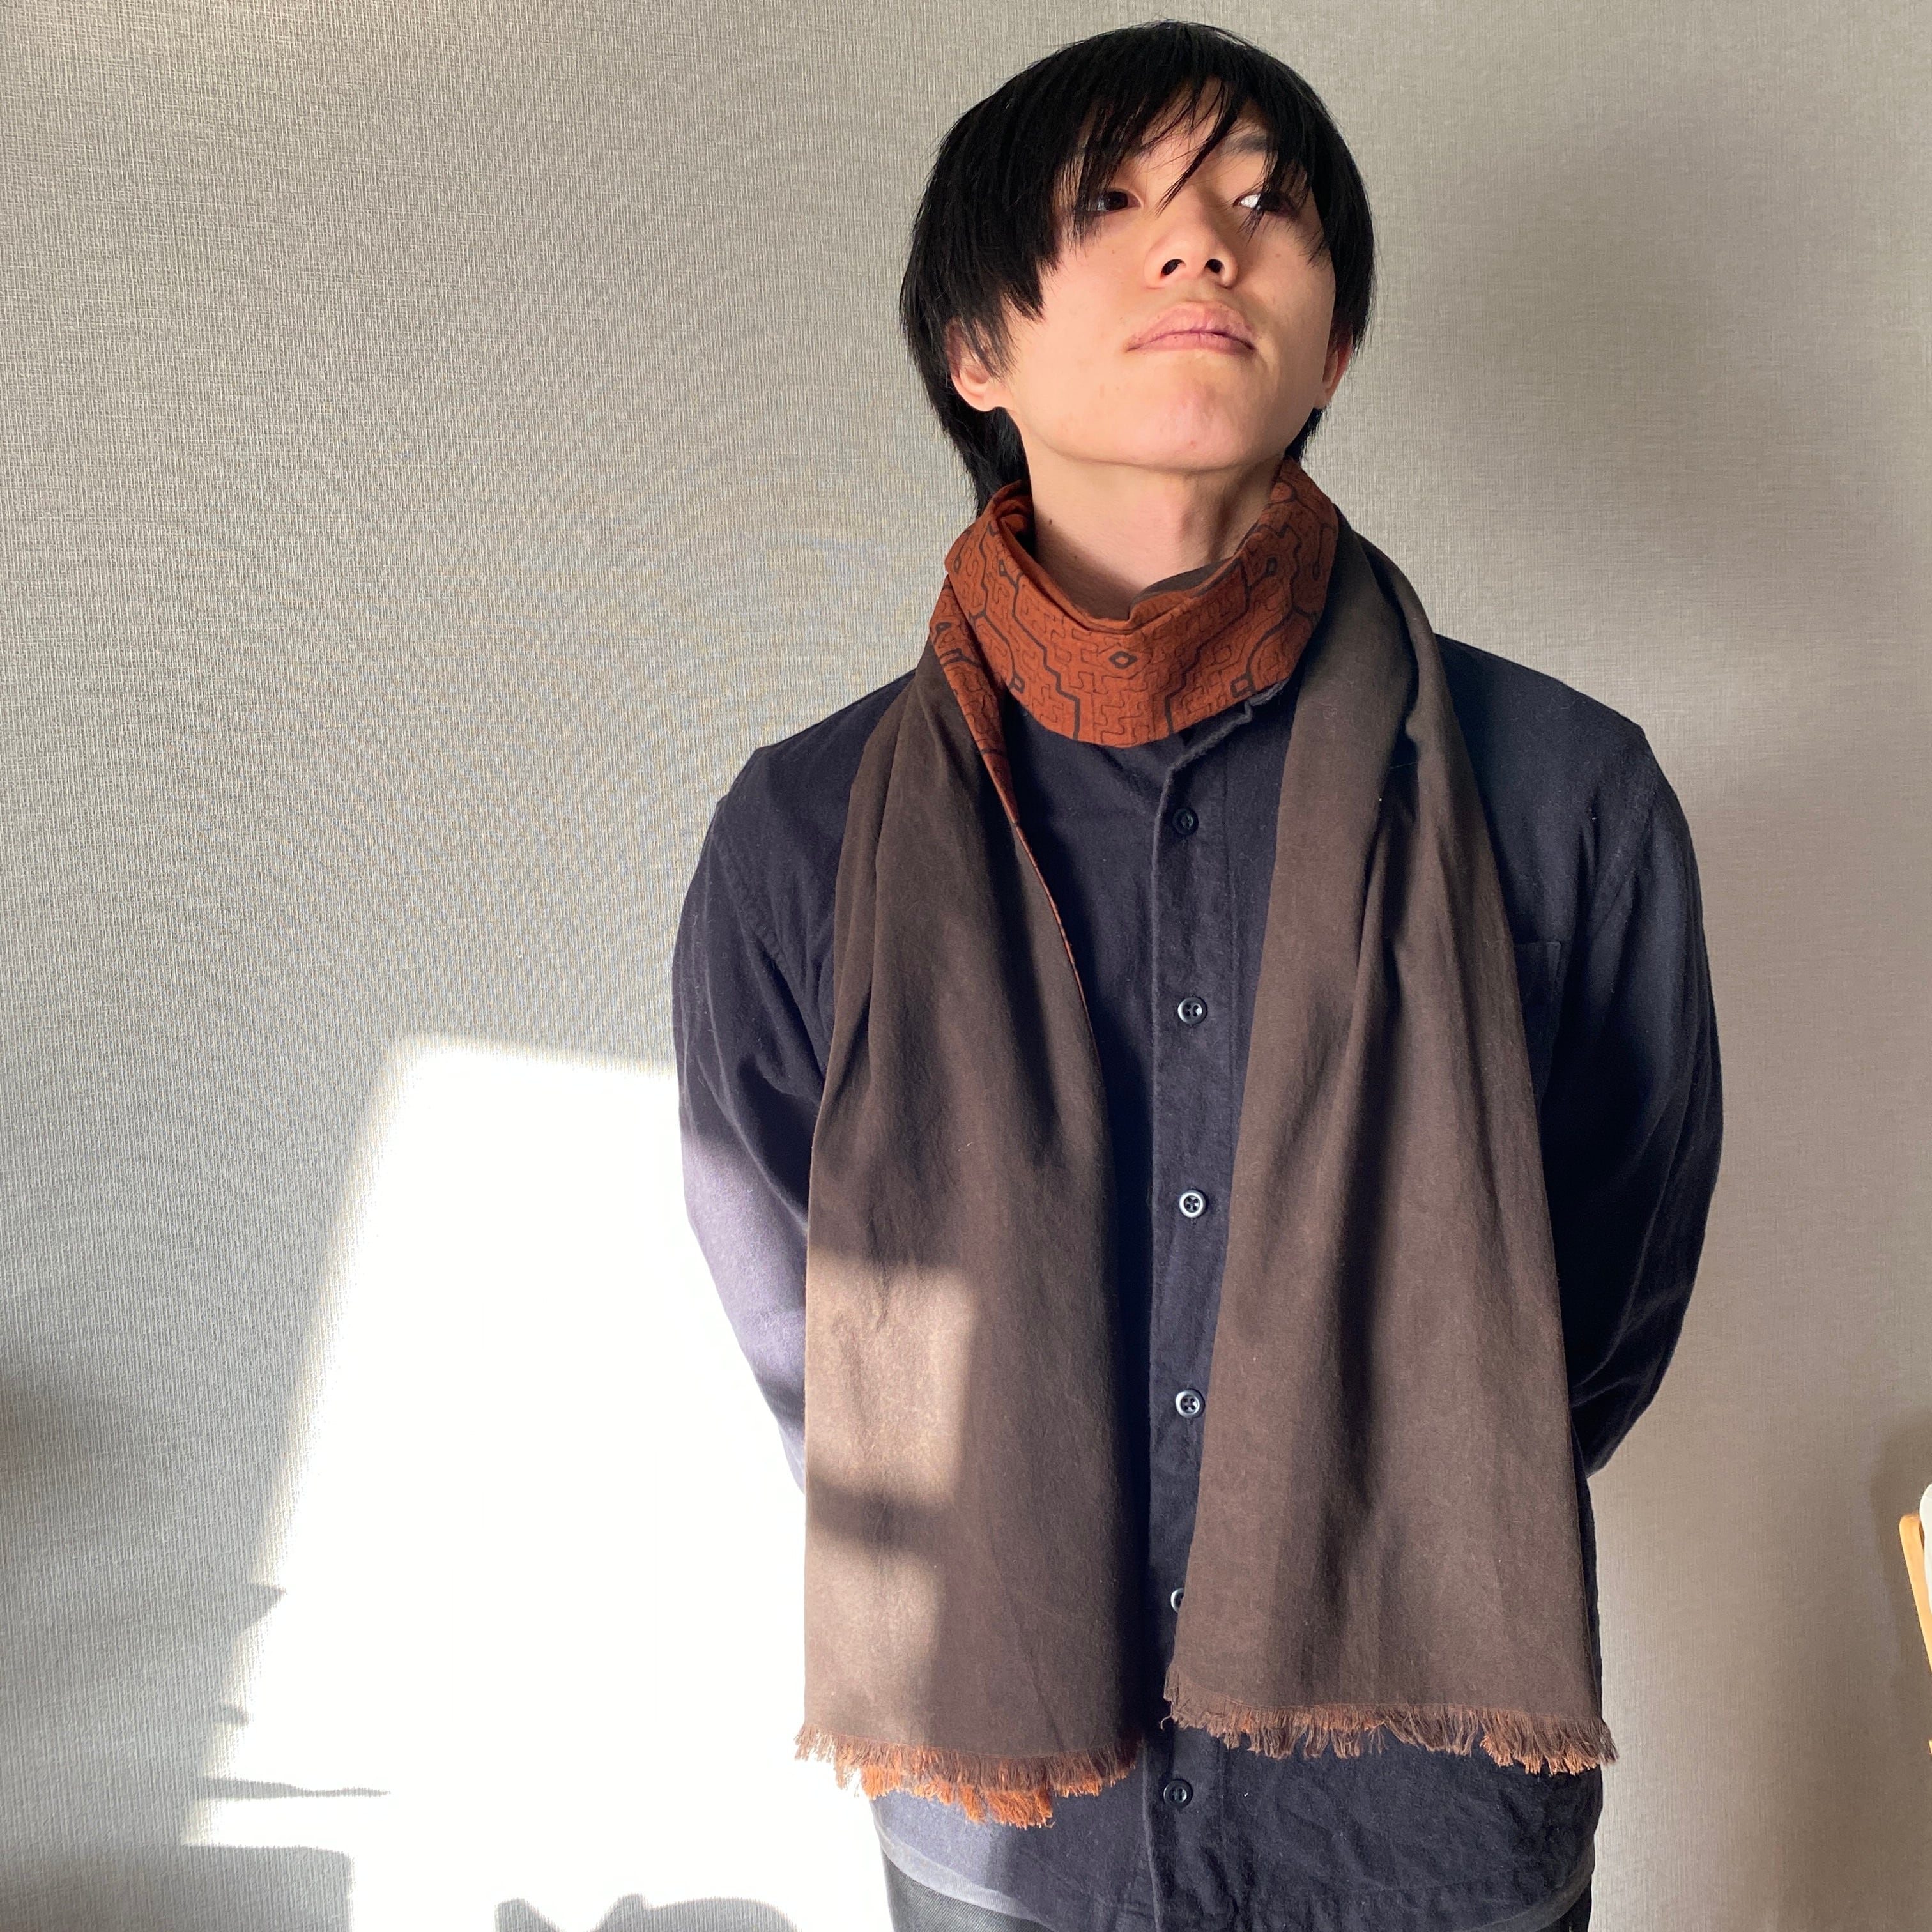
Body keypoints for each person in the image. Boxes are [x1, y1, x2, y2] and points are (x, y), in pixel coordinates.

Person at [671, 20, 1722, 1932]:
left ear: (1335, 347)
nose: (1202, 242)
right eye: (1110, 202)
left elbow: (1603, 1301)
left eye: (1263, 202)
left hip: (1419, 1834)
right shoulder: (806, 831)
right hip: (1007, 1838)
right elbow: (809, 1315)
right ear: (973, 348)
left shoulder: (1564, 796)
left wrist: (1382, 1506)